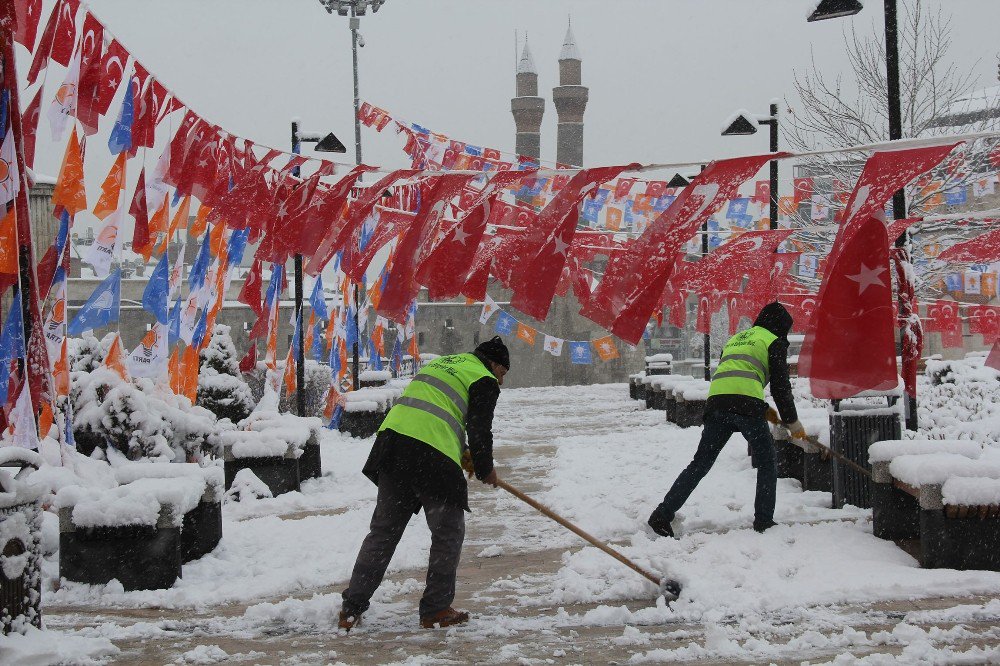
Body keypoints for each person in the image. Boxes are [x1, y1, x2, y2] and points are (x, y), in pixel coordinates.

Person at [338, 336, 509, 631]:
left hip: (393, 446)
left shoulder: (444, 363)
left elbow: (436, 413)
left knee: (383, 534)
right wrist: (485, 468)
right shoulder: (483, 378)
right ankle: (436, 609)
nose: (501, 381)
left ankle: (351, 608)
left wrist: (464, 453)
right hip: (431, 457)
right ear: (494, 364)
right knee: (448, 534)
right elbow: (480, 429)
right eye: (502, 374)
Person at [647, 302, 805, 537]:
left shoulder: (737, 338)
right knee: (767, 462)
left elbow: (735, 374)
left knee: (700, 463)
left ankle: (662, 514)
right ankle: (764, 520)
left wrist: (762, 407)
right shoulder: (774, 341)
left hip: (718, 404)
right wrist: (792, 422)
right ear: (781, 327)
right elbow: (781, 387)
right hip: (747, 406)